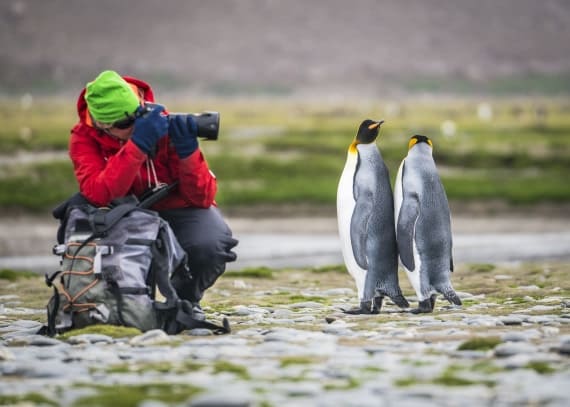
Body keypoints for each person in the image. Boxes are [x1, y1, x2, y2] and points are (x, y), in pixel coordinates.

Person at [66, 69, 238, 316]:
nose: (137, 125)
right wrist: (138, 147)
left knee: (210, 244)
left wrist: (188, 150)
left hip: (176, 206)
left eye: (138, 115)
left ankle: (186, 301)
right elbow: (99, 194)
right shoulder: (84, 138)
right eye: (127, 124)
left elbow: (202, 198)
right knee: (123, 259)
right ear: (103, 126)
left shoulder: (159, 121)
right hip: (121, 214)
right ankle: (132, 308)